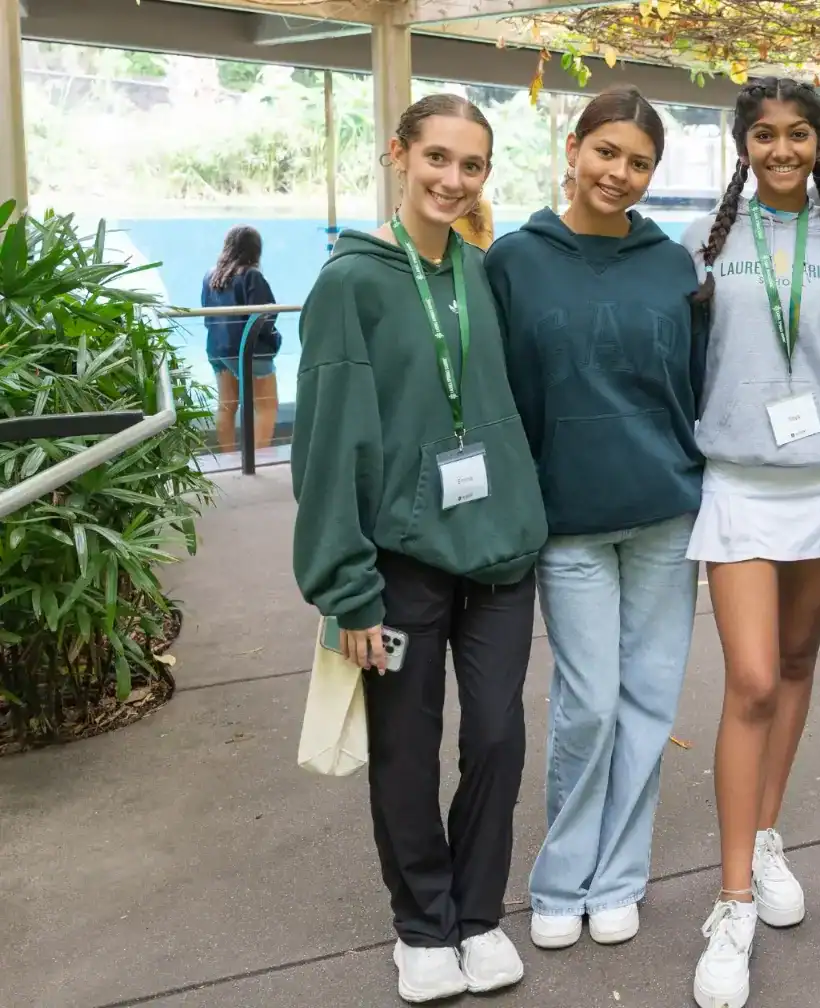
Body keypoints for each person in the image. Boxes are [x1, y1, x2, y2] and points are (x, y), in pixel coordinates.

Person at [290, 93, 548, 1005]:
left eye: (470, 165)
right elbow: (327, 448)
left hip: (500, 558)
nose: (451, 178)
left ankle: (479, 915)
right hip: (397, 565)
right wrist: (344, 592)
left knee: (498, 736)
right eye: (436, 157)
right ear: (398, 155)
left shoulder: (479, 274)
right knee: (407, 742)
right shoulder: (350, 284)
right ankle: (423, 924)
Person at [483, 85, 707, 955]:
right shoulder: (514, 260)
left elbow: (696, 382)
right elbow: (498, 393)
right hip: (568, 520)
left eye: (640, 162)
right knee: (588, 707)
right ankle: (561, 876)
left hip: (665, 516)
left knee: (649, 702)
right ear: (573, 149)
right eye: (607, 152)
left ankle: (619, 877)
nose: (620, 173)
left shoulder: (673, 265)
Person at [678, 77, 820, 1008]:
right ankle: (732, 899)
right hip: (740, 482)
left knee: (794, 660)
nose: (782, 150)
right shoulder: (707, 244)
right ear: (744, 145)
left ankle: (768, 832)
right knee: (749, 679)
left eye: (799, 135)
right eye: (765, 135)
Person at [200, 225, 280, 456]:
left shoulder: (211, 276)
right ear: (255, 250)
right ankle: (258, 460)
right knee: (266, 405)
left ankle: (229, 459)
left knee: (226, 405)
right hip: (249, 351)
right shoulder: (251, 275)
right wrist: (273, 340)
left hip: (218, 350)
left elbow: (207, 312)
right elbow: (264, 316)